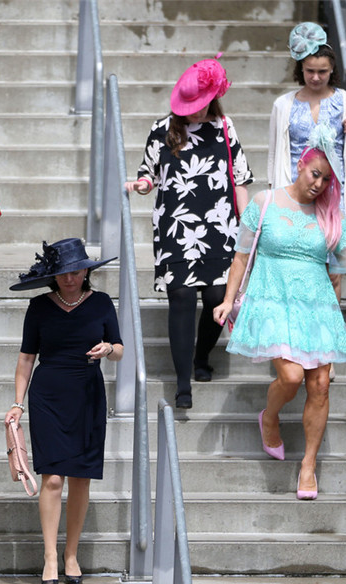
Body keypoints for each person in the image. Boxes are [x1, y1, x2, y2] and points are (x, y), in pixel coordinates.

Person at [212, 125, 346, 500]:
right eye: (315, 174)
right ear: (301, 165)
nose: (319, 184)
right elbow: (241, 257)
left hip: (316, 306)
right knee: (291, 377)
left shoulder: (331, 216)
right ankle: (270, 418)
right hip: (271, 297)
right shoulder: (265, 203)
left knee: (320, 385)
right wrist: (228, 300)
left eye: (326, 180)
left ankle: (308, 465)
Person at [124, 55, 253, 409]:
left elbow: (241, 178)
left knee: (215, 299)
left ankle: (201, 357)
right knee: (181, 297)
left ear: (214, 98)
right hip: (176, 225)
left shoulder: (225, 128)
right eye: (189, 106)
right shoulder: (163, 128)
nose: (194, 113)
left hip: (220, 227)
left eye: (200, 106)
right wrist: (141, 185)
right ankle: (183, 383)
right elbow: (148, 172)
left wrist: (245, 222)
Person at [5, 238, 123, 584]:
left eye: (76, 271)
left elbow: (118, 348)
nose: (70, 278)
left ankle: (72, 554)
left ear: (86, 270)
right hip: (48, 396)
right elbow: (27, 357)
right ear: (53, 276)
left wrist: (108, 350)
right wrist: (17, 403)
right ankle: (50, 557)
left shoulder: (101, 303)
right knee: (52, 479)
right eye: (62, 273)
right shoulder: (39, 306)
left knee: (81, 479)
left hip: (87, 395)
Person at [269, 23, 346, 381]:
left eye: (322, 71)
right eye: (310, 71)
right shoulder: (283, 105)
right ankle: (292, 342)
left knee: (333, 273)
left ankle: (325, 345)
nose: (316, 77)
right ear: (300, 69)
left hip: (335, 198)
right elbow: (275, 156)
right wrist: (278, 201)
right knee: (296, 273)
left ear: (332, 71)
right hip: (298, 197)